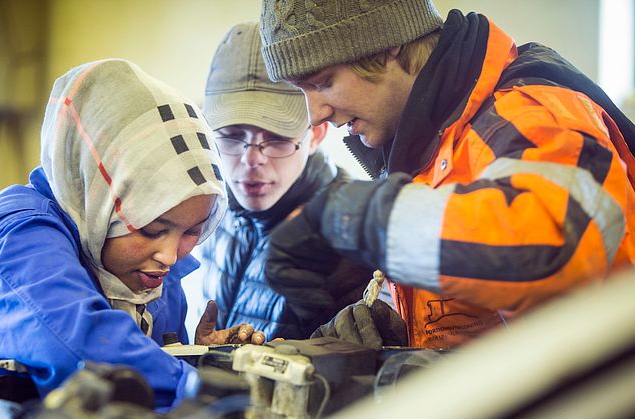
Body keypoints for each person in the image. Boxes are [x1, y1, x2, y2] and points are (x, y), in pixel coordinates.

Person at [259, 0, 635, 349]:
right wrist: (389, 323)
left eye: (323, 82)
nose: (314, 115)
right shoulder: (430, 142)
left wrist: (361, 220)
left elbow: (556, 253)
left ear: (387, 43)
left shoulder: (532, 110)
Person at [0, 58, 265, 411]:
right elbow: (81, 349)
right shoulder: (19, 240)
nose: (170, 255)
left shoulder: (150, 274)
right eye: (152, 229)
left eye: (193, 231)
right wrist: (202, 391)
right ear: (100, 197)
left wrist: (206, 362)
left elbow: (149, 381)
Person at [195, 21, 392, 341]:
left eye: (276, 138)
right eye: (231, 137)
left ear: (316, 134)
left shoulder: (355, 238)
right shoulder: (211, 212)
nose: (251, 159)